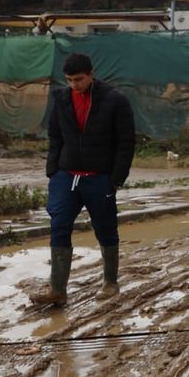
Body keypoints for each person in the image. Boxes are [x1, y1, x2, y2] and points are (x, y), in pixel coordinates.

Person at [31, 53, 135, 307]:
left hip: (99, 178)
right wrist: (52, 171)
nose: (74, 85)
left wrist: (116, 179)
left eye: (79, 79)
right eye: (69, 80)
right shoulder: (61, 98)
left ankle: (110, 282)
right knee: (59, 225)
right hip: (66, 177)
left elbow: (126, 142)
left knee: (105, 228)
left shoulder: (114, 101)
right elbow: (55, 136)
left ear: (91, 74)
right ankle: (57, 289)